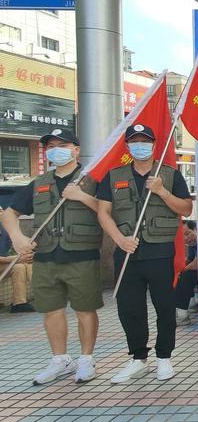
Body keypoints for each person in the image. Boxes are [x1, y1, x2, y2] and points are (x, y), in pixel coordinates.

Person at [2, 128, 103, 385]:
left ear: (76, 150)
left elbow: (108, 211)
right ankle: (60, 359)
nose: (56, 150)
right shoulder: (39, 183)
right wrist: (18, 238)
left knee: (85, 310)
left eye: (63, 145)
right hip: (46, 257)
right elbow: (9, 213)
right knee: (51, 310)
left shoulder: (92, 179)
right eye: (51, 146)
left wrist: (82, 196)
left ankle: (86, 359)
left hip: (82, 255)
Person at [96, 124, 193, 384]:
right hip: (127, 252)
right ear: (127, 146)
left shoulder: (170, 175)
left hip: (160, 251)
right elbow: (103, 212)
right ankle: (138, 358)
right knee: (130, 308)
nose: (140, 146)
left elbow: (185, 208)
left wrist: (162, 191)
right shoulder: (114, 176)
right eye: (135, 141)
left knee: (165, 307)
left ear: (154, 145)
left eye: (145, 141)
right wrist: (120, 240)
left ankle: (164, 357)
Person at [0, 206, 34, 313]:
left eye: (2, 211)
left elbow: (18, 244)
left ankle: (19, 303)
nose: (1, 213)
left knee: (24, 264)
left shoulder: (6, 229)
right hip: (3, 261)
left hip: (3, 262)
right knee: (20, 263)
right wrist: (16, 258)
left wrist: (27, 250)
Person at [175, 220, 197, 326]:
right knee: (177, 274)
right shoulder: (191, 245)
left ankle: (182, 316)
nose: (185, 238)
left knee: (184, 276)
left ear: (195, 230)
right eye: (182, 236)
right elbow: (189, 259)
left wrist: (181, 270)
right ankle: (192, 304)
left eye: (187, 233)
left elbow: (196, 264)